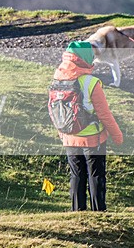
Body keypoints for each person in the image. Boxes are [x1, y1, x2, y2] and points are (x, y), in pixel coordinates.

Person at [53, 41, 123, 211]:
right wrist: (117, 137)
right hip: (93, 139)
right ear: (85, 58)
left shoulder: (58, 78)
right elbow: (104, 114)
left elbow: (55, 109)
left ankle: (77, 211)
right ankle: (99, 212)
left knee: (76, 174)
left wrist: (61, 133)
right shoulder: (91, 82)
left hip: (69, 136)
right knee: (96, 175)